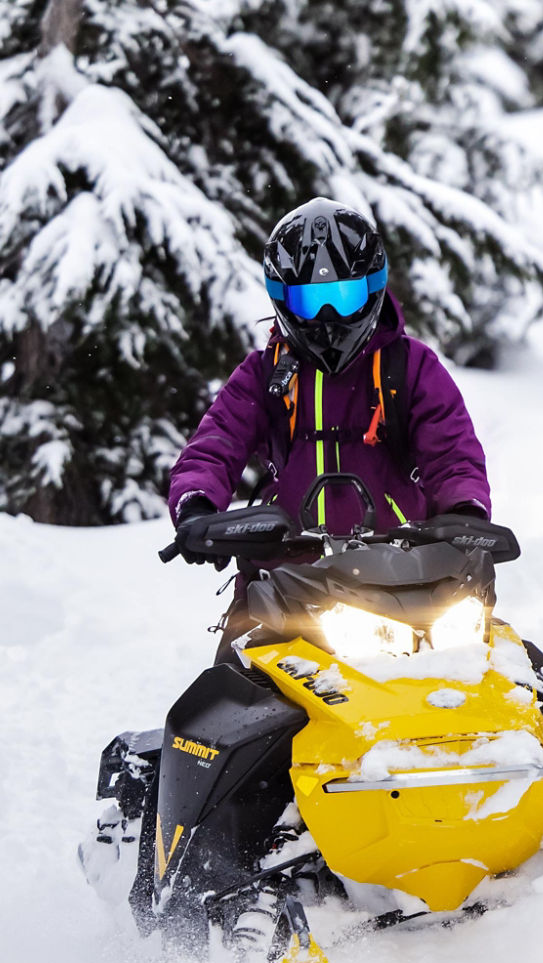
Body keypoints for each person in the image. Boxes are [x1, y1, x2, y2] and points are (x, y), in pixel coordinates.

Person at [166, 198, 493, 660]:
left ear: (372, 290)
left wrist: (465, 511)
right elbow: (214, 445)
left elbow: (453, 450)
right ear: (283, 301)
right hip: (288, 582)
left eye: (343, 298)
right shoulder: (265, 374)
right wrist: (197, 505)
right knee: (228, 701)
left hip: (409, 576)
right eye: (310, 301)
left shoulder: (410, 366)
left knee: (495, 670)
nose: (327, 318)